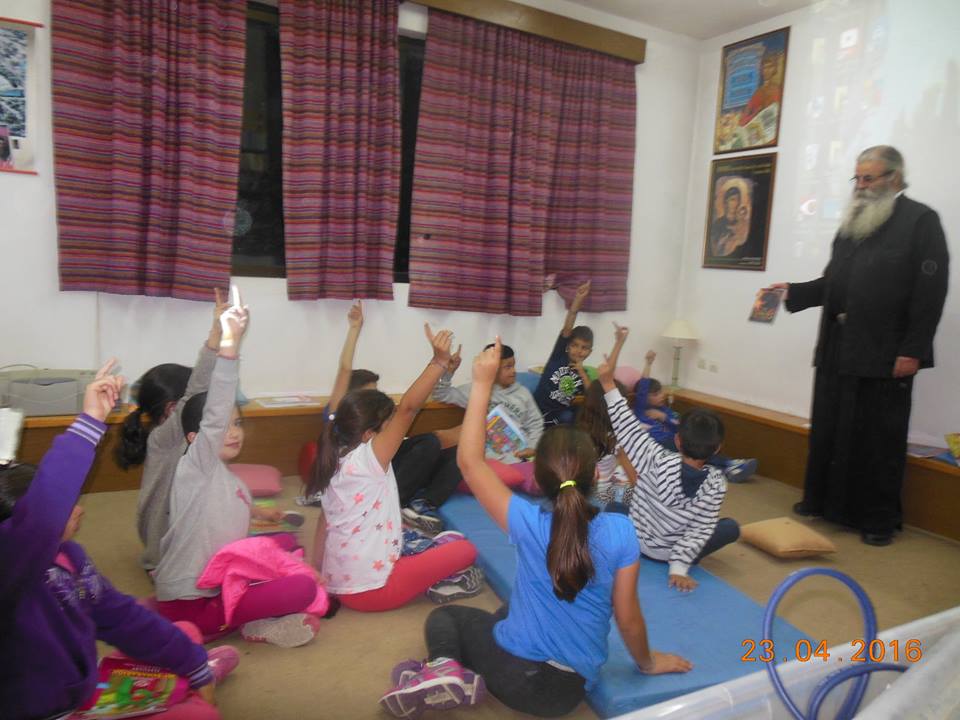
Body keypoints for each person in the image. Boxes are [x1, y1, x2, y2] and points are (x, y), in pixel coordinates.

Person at [379, 340, 691, 718]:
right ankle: (461, 672)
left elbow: (470, 463)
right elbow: (627, 619)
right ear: (595, 476)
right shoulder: (621, 530)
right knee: (510, 609)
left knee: (447, 619)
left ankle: (444, 667)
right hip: (566, 695)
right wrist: (648, 663)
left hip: (516, 680)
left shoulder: (527, 520)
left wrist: (482, 382)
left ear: (538, 481)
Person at [0, 360, 238, 720]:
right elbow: (46, 507)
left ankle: (197, 668)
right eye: (66, 506)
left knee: (185, 635)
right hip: (44, 709)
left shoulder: (71, 557)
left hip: (81, 683)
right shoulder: (10, 567)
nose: (78, 509)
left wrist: (193, 665)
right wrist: (89, 422)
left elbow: (122, 618)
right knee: (199, 714)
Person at [771, 145, 949, 546]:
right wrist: (794, 291)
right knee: (830, 429)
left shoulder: (921, 221)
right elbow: (834, 282)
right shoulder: (852, 223)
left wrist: (912, 350)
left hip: (885, 353)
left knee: (877, 440)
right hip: (838, 347)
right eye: (858, 178)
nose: (861, 185)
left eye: (869, 178)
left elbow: (931, 293)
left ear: (894, 178)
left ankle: (876, 520)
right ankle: (823, 503)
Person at [153, 292, 322, 644]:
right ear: (194, 438)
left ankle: (247, 614)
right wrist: (230, 344)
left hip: (221, 579)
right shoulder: (195, 466)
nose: (233, 432)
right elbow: (214, 415)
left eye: (238, 424)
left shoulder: (227, 479)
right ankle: (244, 623)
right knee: (302, 587)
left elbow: (229, 514)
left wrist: (263, 514)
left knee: (283, 542)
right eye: (223, 426)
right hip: (192, 600)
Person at [307, 324, 481, 612]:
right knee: (466, 549)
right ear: (369, 435)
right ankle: (440, 581)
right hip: (375, 589)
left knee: (427, 539)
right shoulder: (368, 459)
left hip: (340, 581)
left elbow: (324, 522)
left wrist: (316, 571)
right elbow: (408, 409)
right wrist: (438, 362)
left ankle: (423, 562)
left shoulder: (333, 458)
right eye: (388, 426)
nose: (394, 432)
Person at [300, 302, 460, 535]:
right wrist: (354, 329)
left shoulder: (369, 439)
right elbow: (346, 371)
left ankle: (422, 504)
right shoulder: (338, 423)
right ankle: (399, 502)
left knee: (444, 448)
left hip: (383, 471)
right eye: (369, 395)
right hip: (376, 477)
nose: (375, 399)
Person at [601, 355, 739, 593]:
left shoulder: (656, 459)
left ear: (677, 440)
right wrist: (678, 569)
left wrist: (607, 384)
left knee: (614, 507)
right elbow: (700, 530)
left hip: (638, 542)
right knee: (730, 527)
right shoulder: (718, 483)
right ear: (717, 448)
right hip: (674, 553)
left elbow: (627, 427)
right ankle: (676, 559)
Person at [118, 289, 229, 572]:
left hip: (167, 534)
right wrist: (216, 334)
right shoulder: (164, 438)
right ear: (172, 409)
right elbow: (197, 389)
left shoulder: (171, 436)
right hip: (165, 545)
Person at [634, 350, 758, 483]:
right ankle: (729, 464)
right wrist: (648, 363)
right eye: (655, 394)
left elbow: (679, 425)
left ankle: (727, 468)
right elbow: (642, 389)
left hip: (676, 441)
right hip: (659, 445)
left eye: (660, 392)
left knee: (696, 444)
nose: (661, 396)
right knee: (693, 447)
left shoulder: (665, 410)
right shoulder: (641, 410)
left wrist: (664, 417)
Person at [432, 341, 542, 463]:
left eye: (513, 366)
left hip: (521, 456)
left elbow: (536, 424)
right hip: (487, 460)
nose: (514, 371)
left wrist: (532, 448)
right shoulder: (475, 390)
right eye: (508, 367)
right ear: (492, 369)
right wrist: (449, 372)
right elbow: (440, 394)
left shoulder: (523, 393)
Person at [577, 323, 636, 509]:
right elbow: (635, 480)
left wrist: (619, 342)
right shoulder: (618, 438)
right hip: (602, 494)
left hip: (588, 488)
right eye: (622, 403)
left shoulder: (582, 430)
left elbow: (604, 384)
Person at [534, 280, 594, 426]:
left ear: (589, 352)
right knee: (567, 417)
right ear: (567, 346)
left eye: (584, 348)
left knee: (574, 414)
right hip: (539, 412)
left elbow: (593, 397)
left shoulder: (584, 374)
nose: (579, 351)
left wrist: (582, 373)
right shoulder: (559, 357)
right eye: (575, 345)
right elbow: (568, 328)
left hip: (561, 419)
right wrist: (577, 300)